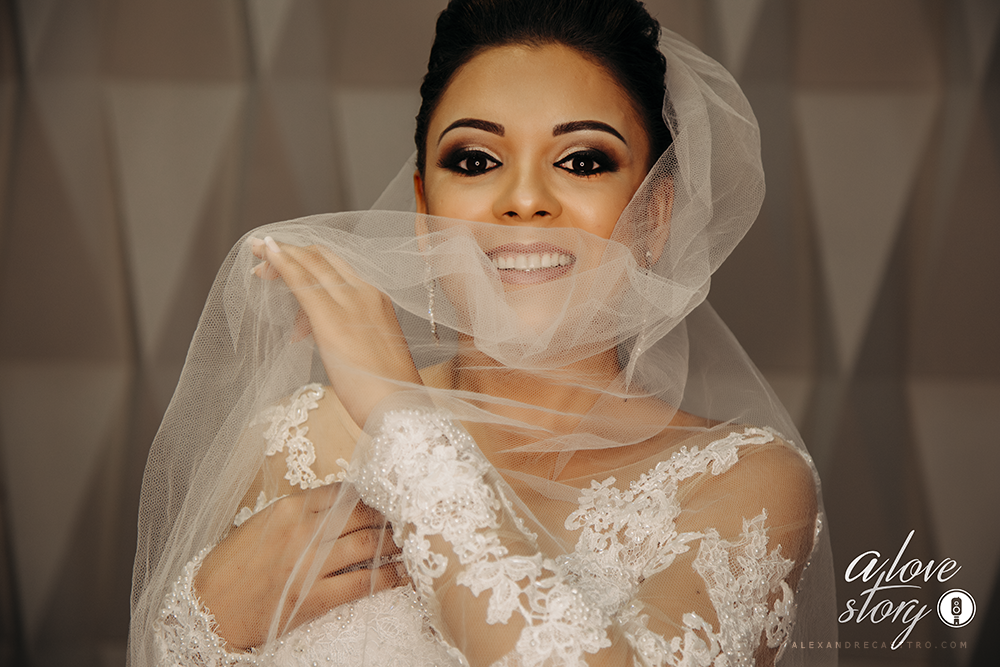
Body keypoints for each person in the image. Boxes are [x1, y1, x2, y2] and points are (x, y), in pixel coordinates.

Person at [129, 0, 837, 665]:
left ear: (654, 213)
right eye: (475, 160)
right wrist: (201, 624)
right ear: (422, 208)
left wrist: (400, 417)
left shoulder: (748, 485)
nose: (524, 198)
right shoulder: (301, 441)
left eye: (583, 160)